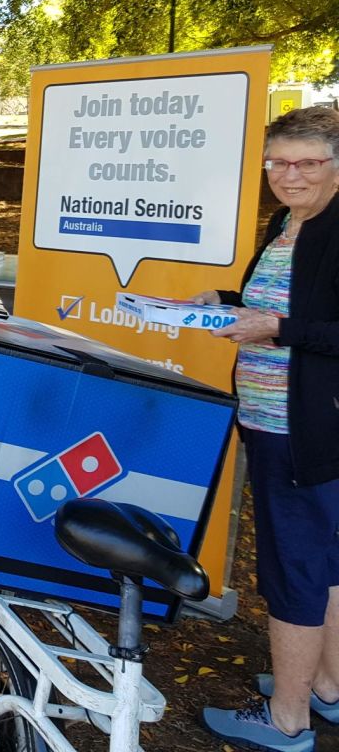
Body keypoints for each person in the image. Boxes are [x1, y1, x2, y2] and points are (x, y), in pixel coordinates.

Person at [200, 105, 339, 752]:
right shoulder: (287, 221)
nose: (289, 175)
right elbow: (280, 307)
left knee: (295, 569)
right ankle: (327, 687)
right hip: (269, 419)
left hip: (303, 429)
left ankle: (288, 720)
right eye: (277, 162)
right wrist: (227, 306)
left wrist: (276, 330)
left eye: (307, 162)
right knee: (326, 563)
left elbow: (302, 326)